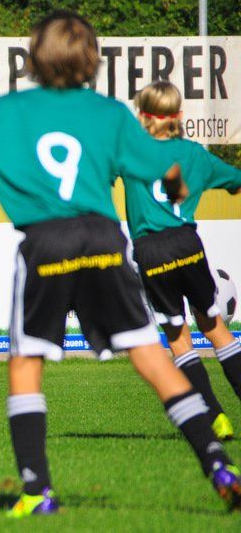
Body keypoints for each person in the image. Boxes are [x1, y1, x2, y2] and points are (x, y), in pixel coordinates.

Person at [0, 10, 241, 516]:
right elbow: (163, 165)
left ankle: (37, 491)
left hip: (46, 243)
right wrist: (175, 184)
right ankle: (217, 463)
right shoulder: (108, 113)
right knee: (152, 357)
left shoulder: (8, 111)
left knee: (26, 363)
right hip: (104, 239)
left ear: (34, 57)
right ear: (92, 60)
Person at [122, 80, 241, 441]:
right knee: (216, 328)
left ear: (143, 115)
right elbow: (235, 181)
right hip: (187, 244)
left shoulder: (131, 153)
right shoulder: (195, 155)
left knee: (178, 338)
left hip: (150, 251)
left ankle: (216, 417)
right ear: (179, 114)